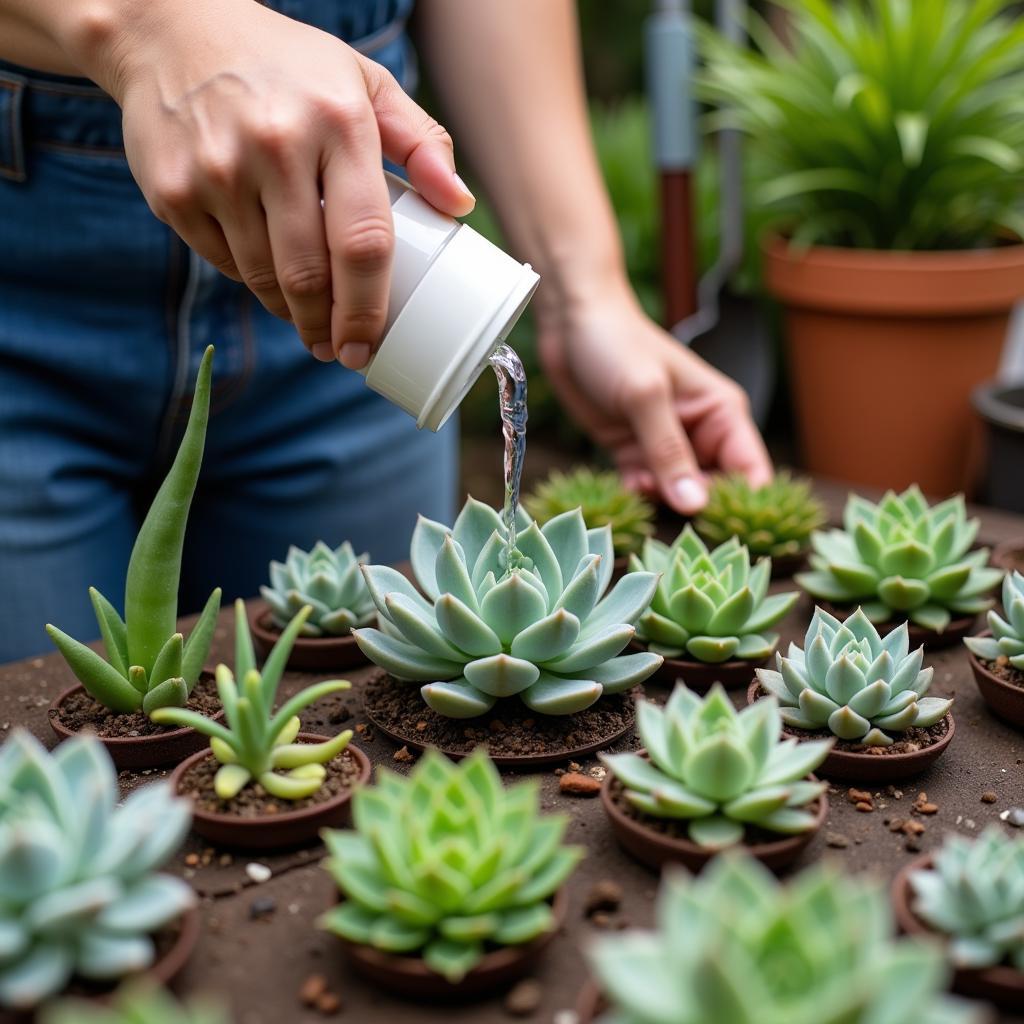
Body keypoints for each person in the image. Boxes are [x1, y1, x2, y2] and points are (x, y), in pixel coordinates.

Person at [0, 0, 772, 663]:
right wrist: (147, 26)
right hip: (24, 296)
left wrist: (585, 291)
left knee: (353, 724)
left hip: (359, 305)